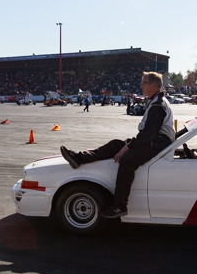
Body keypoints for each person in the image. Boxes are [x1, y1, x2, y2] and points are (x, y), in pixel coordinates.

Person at [60, 71, 174, 218]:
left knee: (128, 160)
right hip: (155, 139)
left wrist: (128, 147)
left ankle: (120, 205)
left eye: (143, 83)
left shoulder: (158, 104)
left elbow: (149, 134)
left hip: (159, 141)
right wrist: (125, 146)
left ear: (153, 84)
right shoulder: (156, 100)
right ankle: (80, 158)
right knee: (116, 145)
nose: (140, 86)